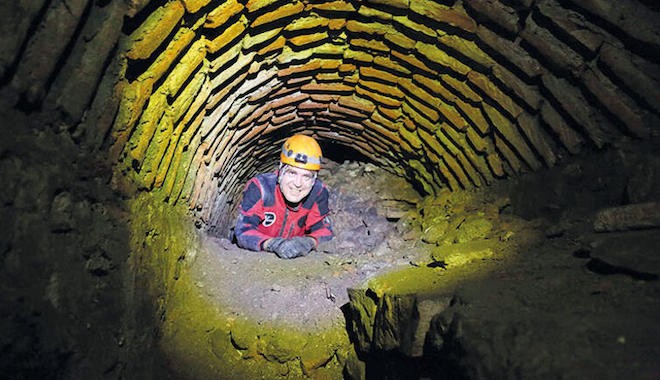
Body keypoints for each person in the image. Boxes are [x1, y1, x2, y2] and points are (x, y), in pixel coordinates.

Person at [234, 134, 334, 258]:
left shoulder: (318, 193)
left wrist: (308, 242)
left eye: (306, 176)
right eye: (292, 173)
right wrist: (273, 244)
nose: (298, 184)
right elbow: (243, 231)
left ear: (314, 180)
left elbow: (325, 232)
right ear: (281, 171)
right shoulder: (261, 188)